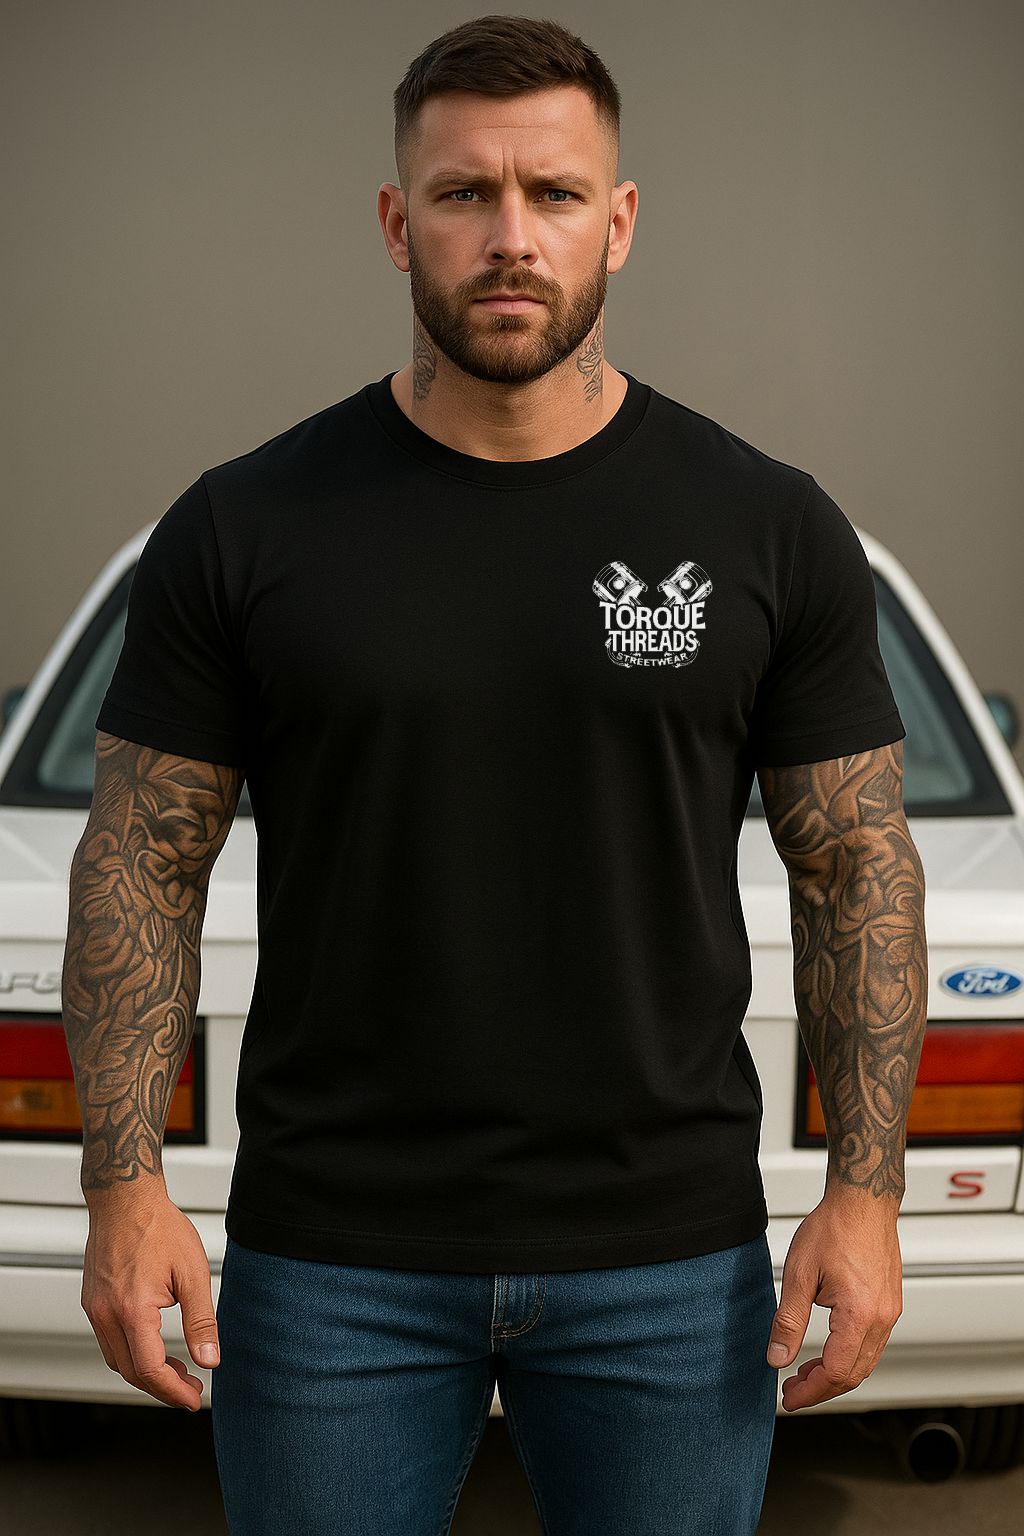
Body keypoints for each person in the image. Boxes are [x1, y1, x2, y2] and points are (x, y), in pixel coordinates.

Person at [62, 14, 927, 1535]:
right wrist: (124, 1188)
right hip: (334, 1257)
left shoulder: (768, 527)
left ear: (621, 221)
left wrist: (865, 1193)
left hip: (667, 1259)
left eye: (555, 193)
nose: (511, 236)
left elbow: (855, 862)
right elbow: (141, 859)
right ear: (398, 221)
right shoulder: (245, 526)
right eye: (464, 193)